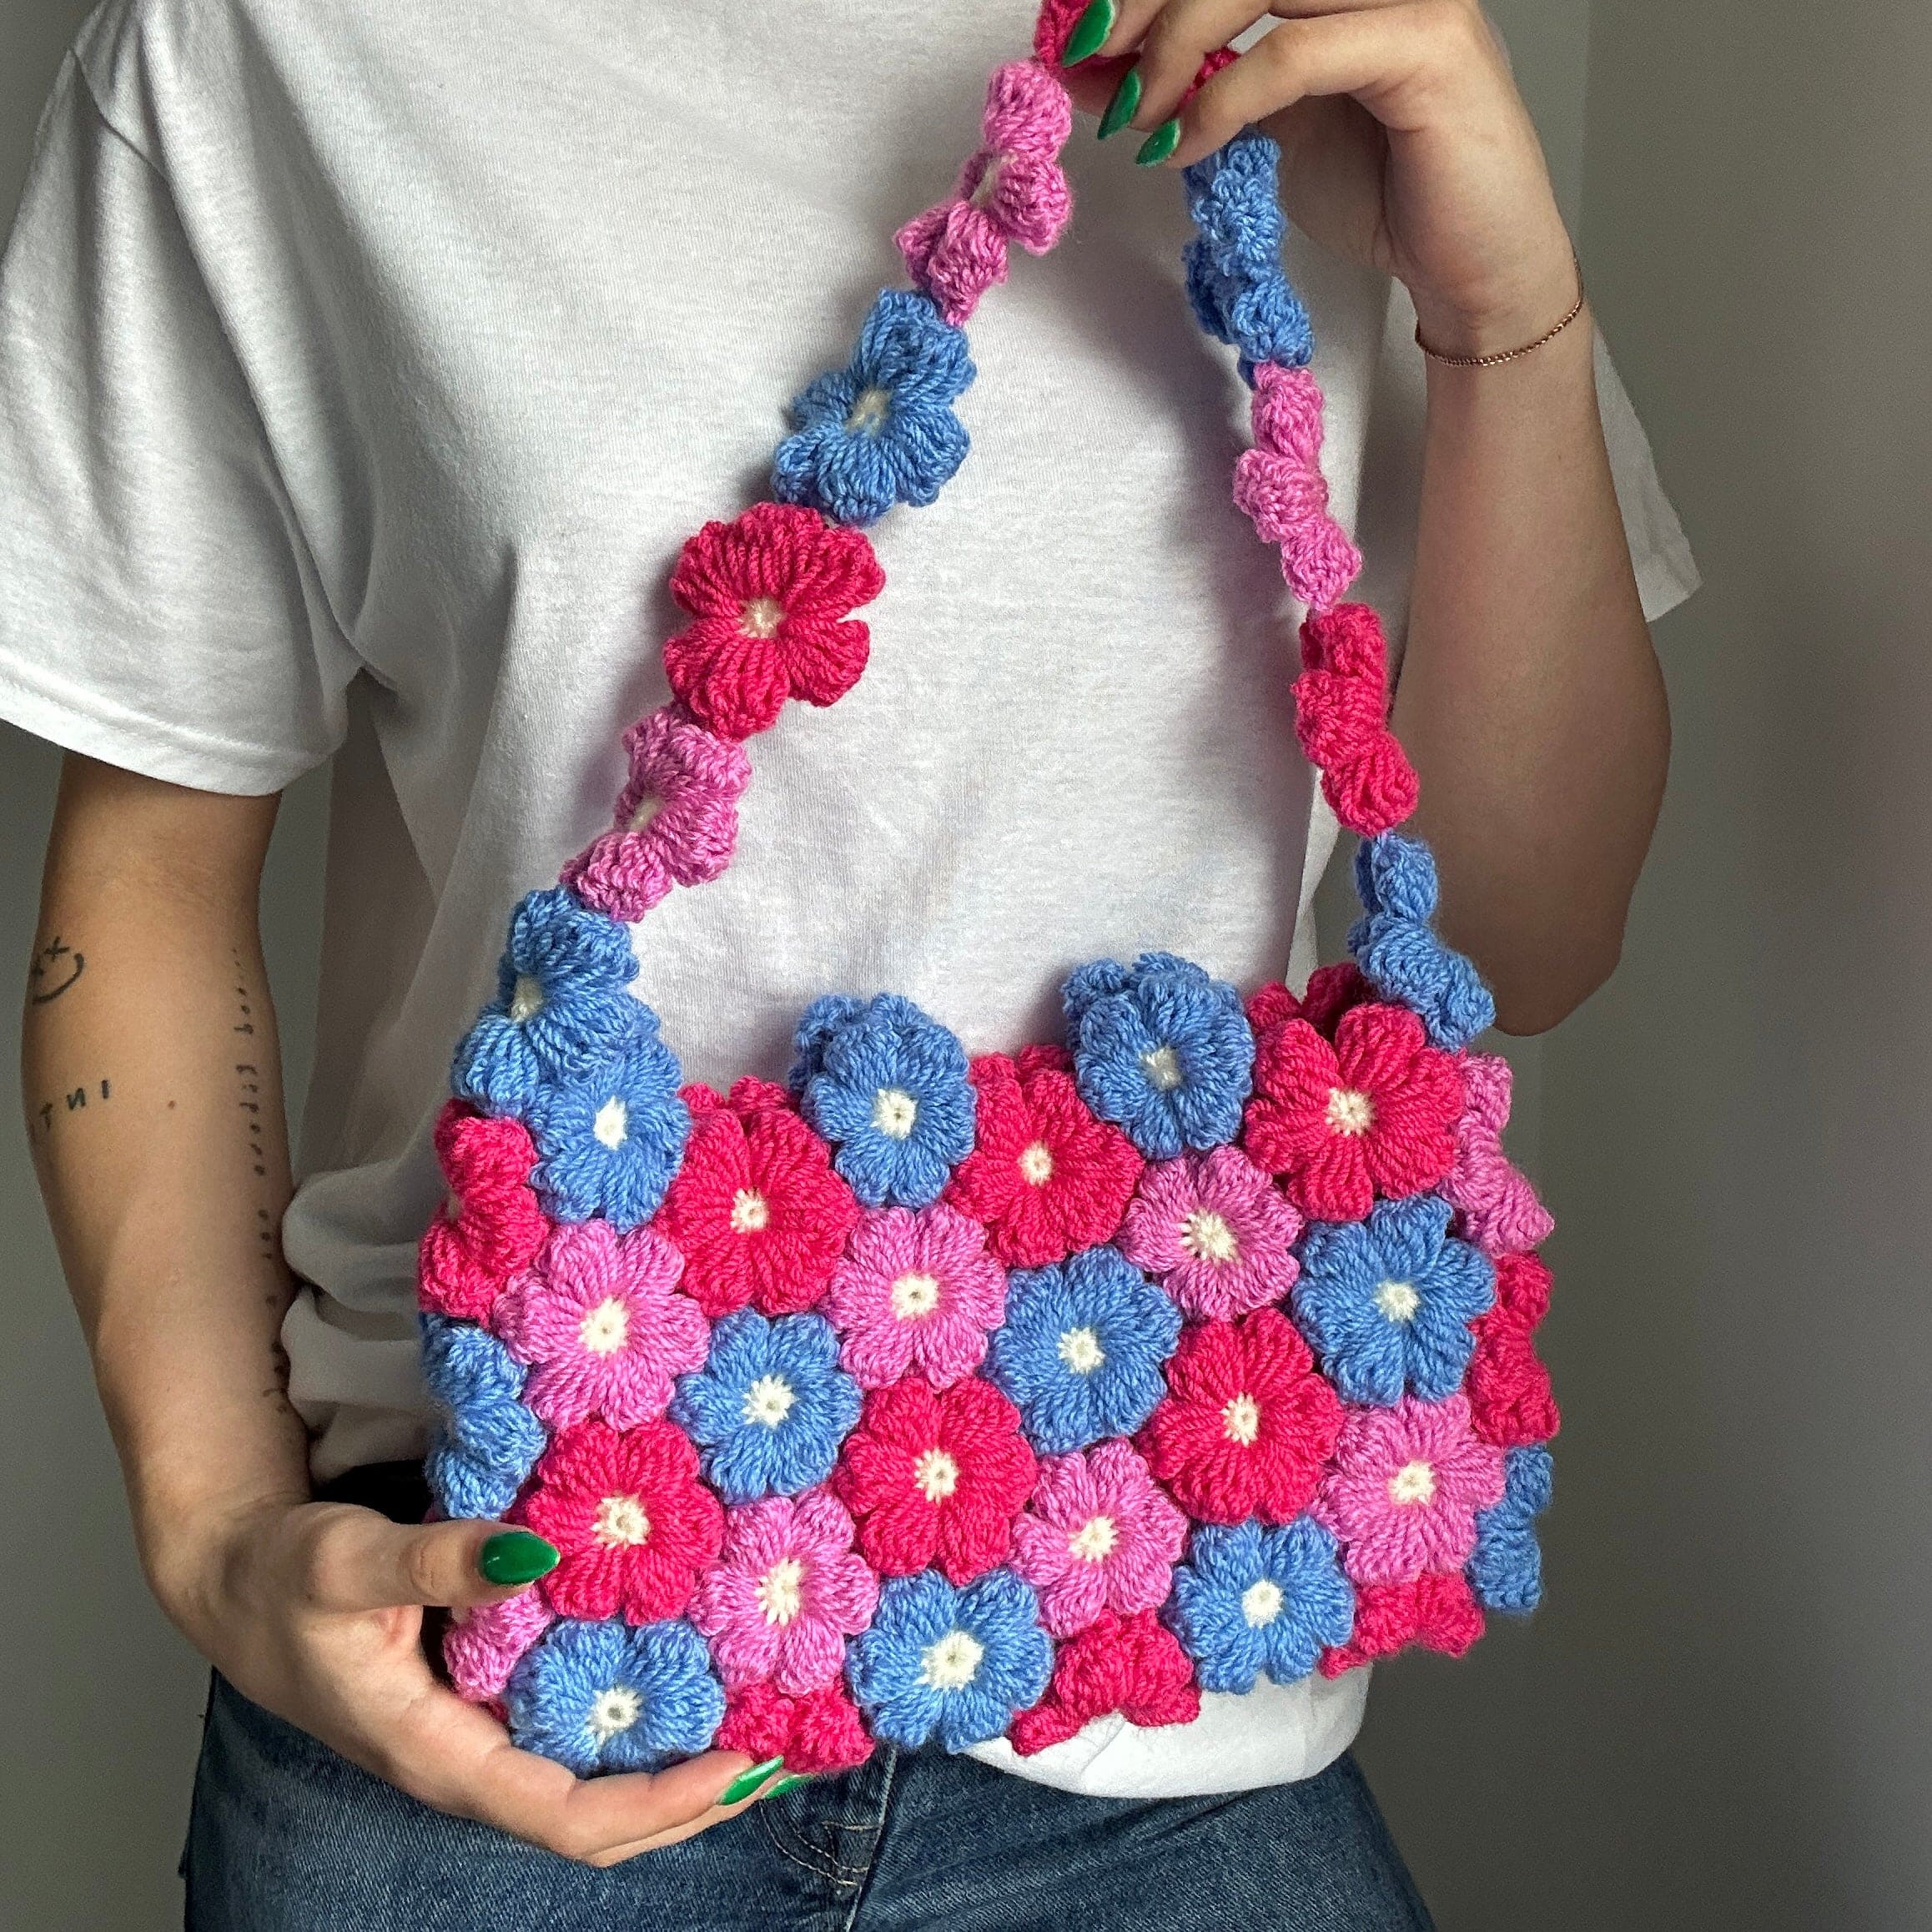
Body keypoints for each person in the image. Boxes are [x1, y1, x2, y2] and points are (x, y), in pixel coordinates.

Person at [3, 0, 1695, 1925]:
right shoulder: (281, 45)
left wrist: (1503, 304)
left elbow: (1523, 944)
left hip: (1188, 1701)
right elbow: (152, 864)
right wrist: (215, 1522)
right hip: (496, 1687)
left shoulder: (1316, 35)